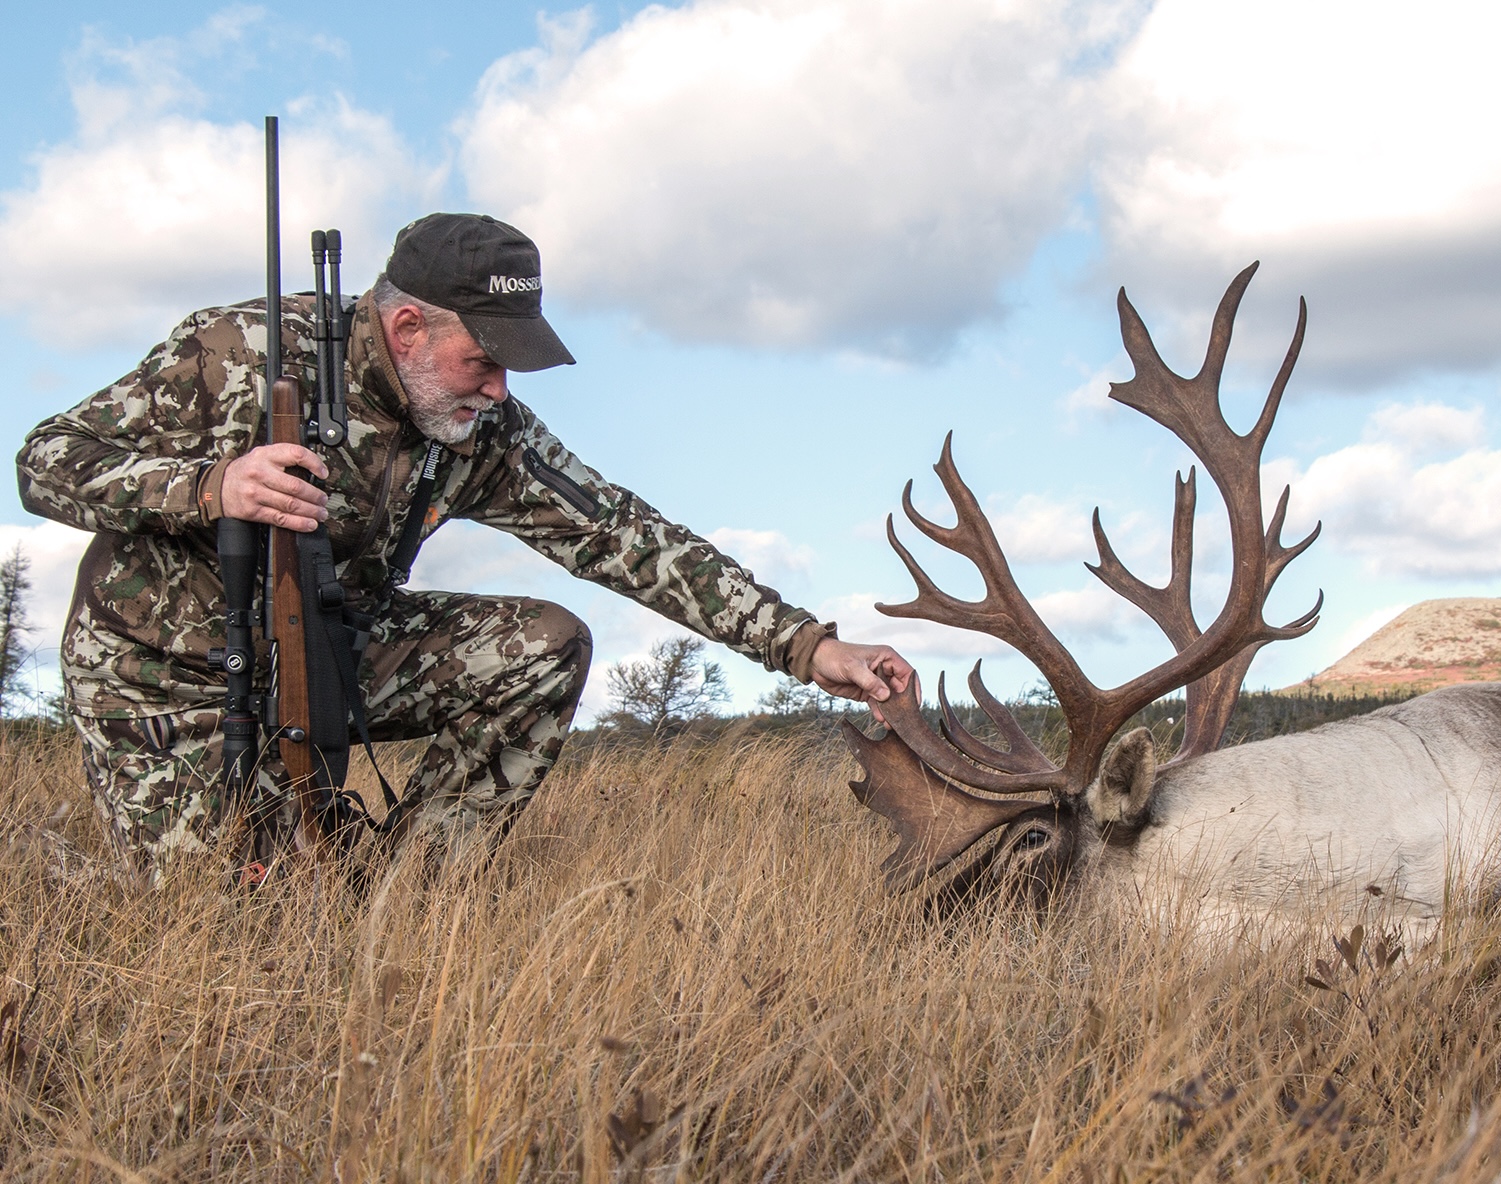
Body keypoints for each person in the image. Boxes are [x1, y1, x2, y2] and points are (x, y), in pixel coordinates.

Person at [17, 212, 913, 883]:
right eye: (484, 360)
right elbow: (46, 460)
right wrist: (210, 488)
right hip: (162, 678)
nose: (499, 388)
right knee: (222, 916)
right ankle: (74, 867)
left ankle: (405, 901)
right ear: (409, 328)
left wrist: (808, 647)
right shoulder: (234, 353)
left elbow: (626, 537)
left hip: (329, 656)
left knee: (545, 646)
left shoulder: (483, 429)